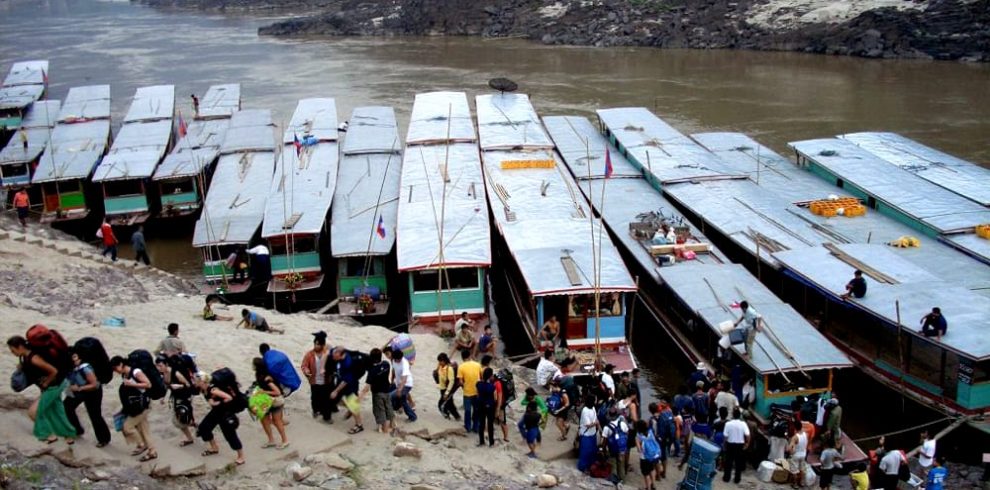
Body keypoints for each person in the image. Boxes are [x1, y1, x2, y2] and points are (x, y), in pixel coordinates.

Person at [8, 336, 76, 445]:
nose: (12, 352)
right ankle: (69, 436)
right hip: (54, 385)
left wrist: (46, 383)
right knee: (57, 411)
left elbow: (54, 371)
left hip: (54, 386)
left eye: (13, 350)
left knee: (33, 412)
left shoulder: (34, 358)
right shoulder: (25, 357)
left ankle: (50, 435)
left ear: (20, 347)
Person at [109, 355, 155, 460]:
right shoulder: (125, 374)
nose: (116, 371)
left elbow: (148, 385)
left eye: (116, 368)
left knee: (127, 427)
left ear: (121, 364)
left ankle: (141, 444)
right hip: (136, 405)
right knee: (143, 429)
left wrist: (132, 385)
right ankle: (152, 451)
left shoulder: (136, 372)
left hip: (143, 405)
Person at [196, 371, 245, 465]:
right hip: (216, 412)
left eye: (197, 380)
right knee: (204, 428)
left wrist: (217, 403)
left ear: (203, 381)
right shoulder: (203, 389)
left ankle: (241, 456)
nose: (195, 382)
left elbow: (229, 398)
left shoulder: (213, 390)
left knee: (230, 435)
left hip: (224, 413)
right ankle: (214, 447)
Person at [64, 348, 111, 447]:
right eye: (72, 357)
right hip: (79, 390)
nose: (75, 360)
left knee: (94, 414)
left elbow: (94, 384)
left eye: (75, 357)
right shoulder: (70, 368)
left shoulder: (85, 368)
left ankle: (104, 439)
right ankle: (77, 429)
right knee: (67, 406)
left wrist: (79, 388)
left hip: (93, 392)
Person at [252, 357, 288, 449]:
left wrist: (263, 392)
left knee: (277, 421)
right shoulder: (259, 375)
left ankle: (285, 440)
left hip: (275, 401)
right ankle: (271, 440)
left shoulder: (266, 378)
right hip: (266, 400)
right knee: (264, 421)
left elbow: (277, 392)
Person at [161, 355, 196, 447]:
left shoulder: (176, 373)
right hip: (177, 397)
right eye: (157, 366)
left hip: (185, 396)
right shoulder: (164, 373)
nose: (158, 368)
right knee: (183, 417)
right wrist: (163, 397)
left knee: (180, 419)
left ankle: (190, 437)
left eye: (160, 366)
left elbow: (188, 385)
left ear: (166, 364)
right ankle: (191, 424)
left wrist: (179, 386)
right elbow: (167, 385)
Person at [359, 348, 395, 435]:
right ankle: (392, 424)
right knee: (389, 407)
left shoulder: (372, 371)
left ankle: (384, 429)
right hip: (386, 390)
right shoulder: (386, 364)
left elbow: (367, 387)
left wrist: (360, 397)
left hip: (377, 393)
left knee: (380, 410)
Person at [331, 347, 364, 434]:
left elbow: (346, 381)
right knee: (335, 400)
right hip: (341, 381)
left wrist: (336, 391)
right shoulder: (338, 354)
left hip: (350, 386)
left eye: (335, 356)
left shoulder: (348, 363)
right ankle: (350, 408)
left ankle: (359, 425)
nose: (333, 357)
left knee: (353, 405)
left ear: (341, 355)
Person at [301, 331, 332, 422]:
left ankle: (327, 417)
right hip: (314, 381)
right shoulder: (309, 354)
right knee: (314, 398)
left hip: (326, 381)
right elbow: (304, 365)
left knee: (326, 399)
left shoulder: (327, 354)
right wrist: (307, 371)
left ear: (322, 345)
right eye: (315, 344)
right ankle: (316, 411)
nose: (316, 346)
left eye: (318, 344)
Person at [722, 408, 750, 484]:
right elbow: (747, 435)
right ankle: (737, 479)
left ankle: (726, 478)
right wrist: (747, 444)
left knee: (728, 462)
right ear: (739, 415)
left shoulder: (728, 424)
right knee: (738, 463)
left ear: (732, 415)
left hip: (730, 444)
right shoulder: (743, 424)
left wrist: (724, 445)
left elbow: (725, 436)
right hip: (740, 445)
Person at [601, 407, 629, 484]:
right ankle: (622, 481)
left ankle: (614, 480)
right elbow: (627, 433)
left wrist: (603, 450)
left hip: (612, 449)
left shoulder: (607, 427)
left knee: (613, 464)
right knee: (621, 465)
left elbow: (604, 441)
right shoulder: (622, 423)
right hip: (622, 449)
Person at [457, 349, 482, 433]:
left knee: (467, 411)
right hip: (477, 392)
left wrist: (464, 387)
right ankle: (476, 427)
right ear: (470, 356)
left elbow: (460, 381)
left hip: (467, 392)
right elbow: (481, 377)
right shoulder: (477, 365)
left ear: (462, 357)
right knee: (476, 410)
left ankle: (468, 427)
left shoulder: (461, 367)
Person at [390, 347, 416, 422]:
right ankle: (412, 416)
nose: (399, 360)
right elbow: (394, 370)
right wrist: (392, 380)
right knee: (403, 401)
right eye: (397, 359)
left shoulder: (404, 363)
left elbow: (404, 378)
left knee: (390, 396)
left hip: (407, 384)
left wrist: (399, 389)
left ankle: (391, 414)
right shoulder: (394, 360)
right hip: (399, 384)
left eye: (400, 359)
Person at [636, 419, 661, 490]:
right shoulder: (650, 431)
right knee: (652, 470)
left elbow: (639, 450)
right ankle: (653, 485)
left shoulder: (638, 436)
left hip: (644, 457)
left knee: (646, 474)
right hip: (653, 455)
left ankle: (648, 488)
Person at [476, 367, 498, 447]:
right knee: (490, 424)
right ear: (490, 376)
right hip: (490, 406)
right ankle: (491, 442)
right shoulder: (492, 386)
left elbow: (477, 394)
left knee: (481, 424)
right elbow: (495, 398)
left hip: (480, 405)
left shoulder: (478, 384)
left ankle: (481, 441)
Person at [435, 353, 460, 421]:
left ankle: (448, 416)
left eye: (440, 361)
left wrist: (447, 393)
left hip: (448, 389)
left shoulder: (449, 369)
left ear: (444, 360)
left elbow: (451, 381)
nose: (439, 363)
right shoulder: (441, 366)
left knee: (441, 404)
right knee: (449, 403)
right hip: (442, 388)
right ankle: (456, 416)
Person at [788, 422, 809, 488]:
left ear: (795, 428)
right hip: (803, 454)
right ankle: (801, 483)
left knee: (794, 470)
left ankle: (795, 484)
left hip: (796, 455)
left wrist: (791, 451)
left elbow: (789, 448)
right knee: (802, 469)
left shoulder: (795, 437)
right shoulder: (806, 434)